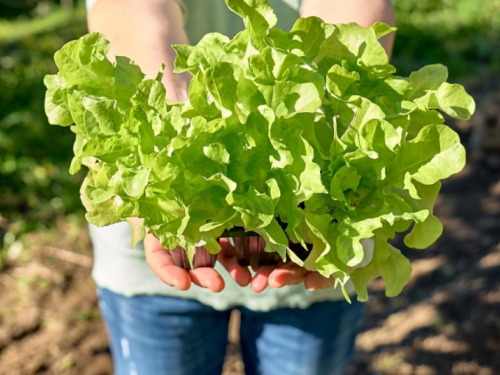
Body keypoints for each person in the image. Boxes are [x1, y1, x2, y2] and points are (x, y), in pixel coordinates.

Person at [86, 1, 395, 374]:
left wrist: (321, 125)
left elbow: (352, 16)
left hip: (309, 242)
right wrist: (170, 117)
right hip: (169, 240)